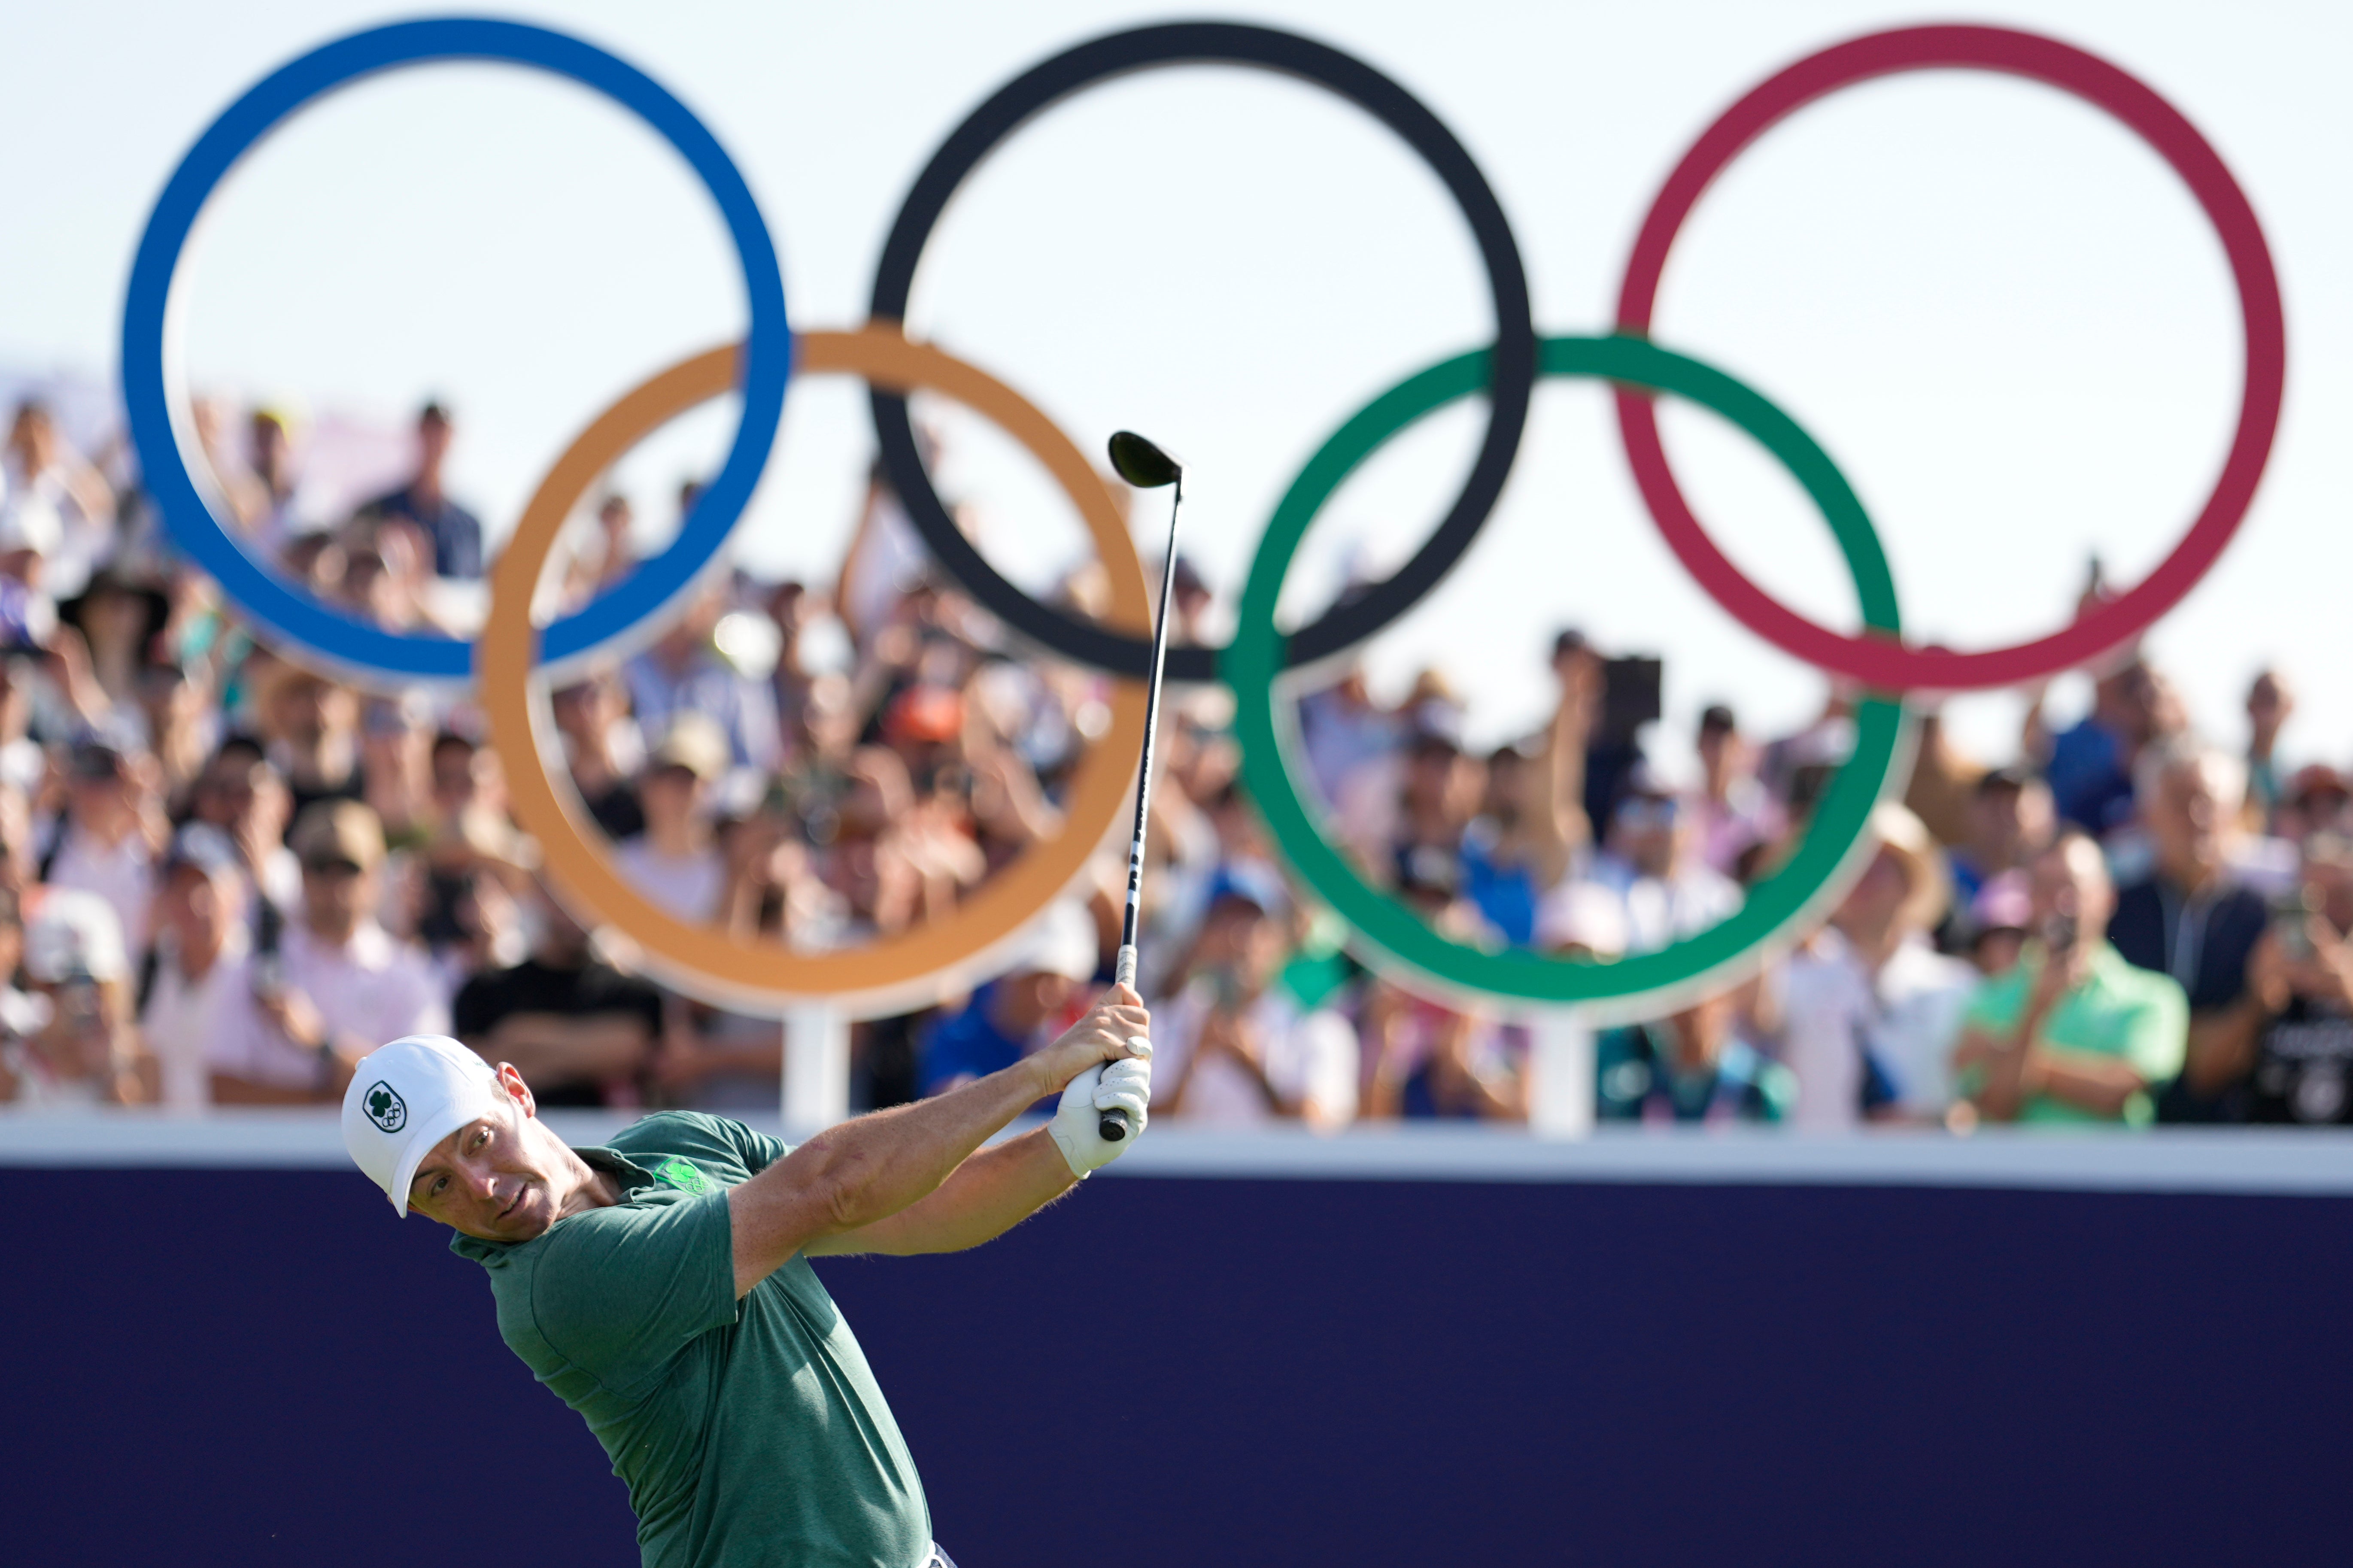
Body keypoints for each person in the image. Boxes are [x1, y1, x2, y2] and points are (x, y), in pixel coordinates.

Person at [337, 990, 1151, 1568]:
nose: (478, 1186)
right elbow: (830, 1182)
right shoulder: (555, 1288)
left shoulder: (678, 1140)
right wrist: (1040, 1071)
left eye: (476, 1139)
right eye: (436, 1185)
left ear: (516, 1091)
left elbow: (912, 1213)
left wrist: (1070, 1142)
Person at [1951, 831, 2188, 1126]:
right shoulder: (1988, 997)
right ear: (2029, 900)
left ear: (2107, 897)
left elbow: (2115, 1093)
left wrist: (2005, 1055)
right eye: (2047, 889)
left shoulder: (2154, 997)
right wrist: (2037, 1009)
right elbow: (1995, 1108)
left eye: (2073, 889)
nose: (2062, 903)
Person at [1779, 804, 1976, 1126]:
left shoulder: (1957, 985)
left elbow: (1976, 1102)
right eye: (1851, 865)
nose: (1862, 880)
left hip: (1922, 1173)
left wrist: (1932, 1123)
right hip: (1815, 1173)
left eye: (1878, 866)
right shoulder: (1793, 979)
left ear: (1909, 882)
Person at [2106, 740, 2270, 1121]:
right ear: (2147, 812)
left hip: (2240, 1134)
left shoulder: (2262, 918)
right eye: (2179, 801)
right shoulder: (2113, 911)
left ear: (2234, 813)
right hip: (2129, 1133)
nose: (2196, 816)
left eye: (2209, 803)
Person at [1151, 887, 1359, 1128]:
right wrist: (1193, 1058)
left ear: (1279, 943)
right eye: (1223, 923)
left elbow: (1320, 1132)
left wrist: (1255, 1067)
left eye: (1252, 925)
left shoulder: (1319, 1029)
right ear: (1199, 939)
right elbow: (1136, 1133)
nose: (1236, 939)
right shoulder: (1160, 1025)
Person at [452, 877, 662, 1107]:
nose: (576, 908)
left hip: (608, 1139)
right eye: (565, 894)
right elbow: (478, 1075)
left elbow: (628, 1053)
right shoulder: (485, 991)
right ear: (541, 893)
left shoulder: (631, 993)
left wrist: (523, 1039)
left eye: (586, 895)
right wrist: (591, 1058)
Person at [279, 800, 446, 1050]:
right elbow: (223, 1081)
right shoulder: (258, 966)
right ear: (303, 875)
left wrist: (320, 1044)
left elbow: (420, 1082)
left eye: (349, 871)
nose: (334, 885)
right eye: (321, 869)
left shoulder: (410, 975)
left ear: (374, 877)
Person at [916, 900, 1099, 1096]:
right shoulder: (955, 1036)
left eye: (1056, 983)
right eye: (1031, 980)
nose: (1043, 995)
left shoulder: (1086, 1044)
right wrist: (1046, 1074)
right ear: (1004, 978)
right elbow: (951, 1110)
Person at [0, 889, 152, 1105]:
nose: (80, 1000)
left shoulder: (143, 1064)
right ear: (37, 984)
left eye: (95, 983)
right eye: (59, 984)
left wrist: (117, 1080)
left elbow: (149, 1135)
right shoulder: (11, 1066)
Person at [1596, 986, 1792, 1125]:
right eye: (1679, 1005)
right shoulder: (1636, 1093)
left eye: (1698, 1006)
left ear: (1722, 1005)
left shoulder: (1759, 1091)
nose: (1687, 1018)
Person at [614, 714, 730, 922]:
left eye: (686, 780)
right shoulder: (618, 866)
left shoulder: (731, 874)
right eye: (663, 776)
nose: (672, 793)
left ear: (711, 789)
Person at [360, 401, 483, 580]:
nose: (435, 442)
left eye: (442, 434)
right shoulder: (379, 510)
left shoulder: (470, 526)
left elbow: (472, 591)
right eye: (429, 432)